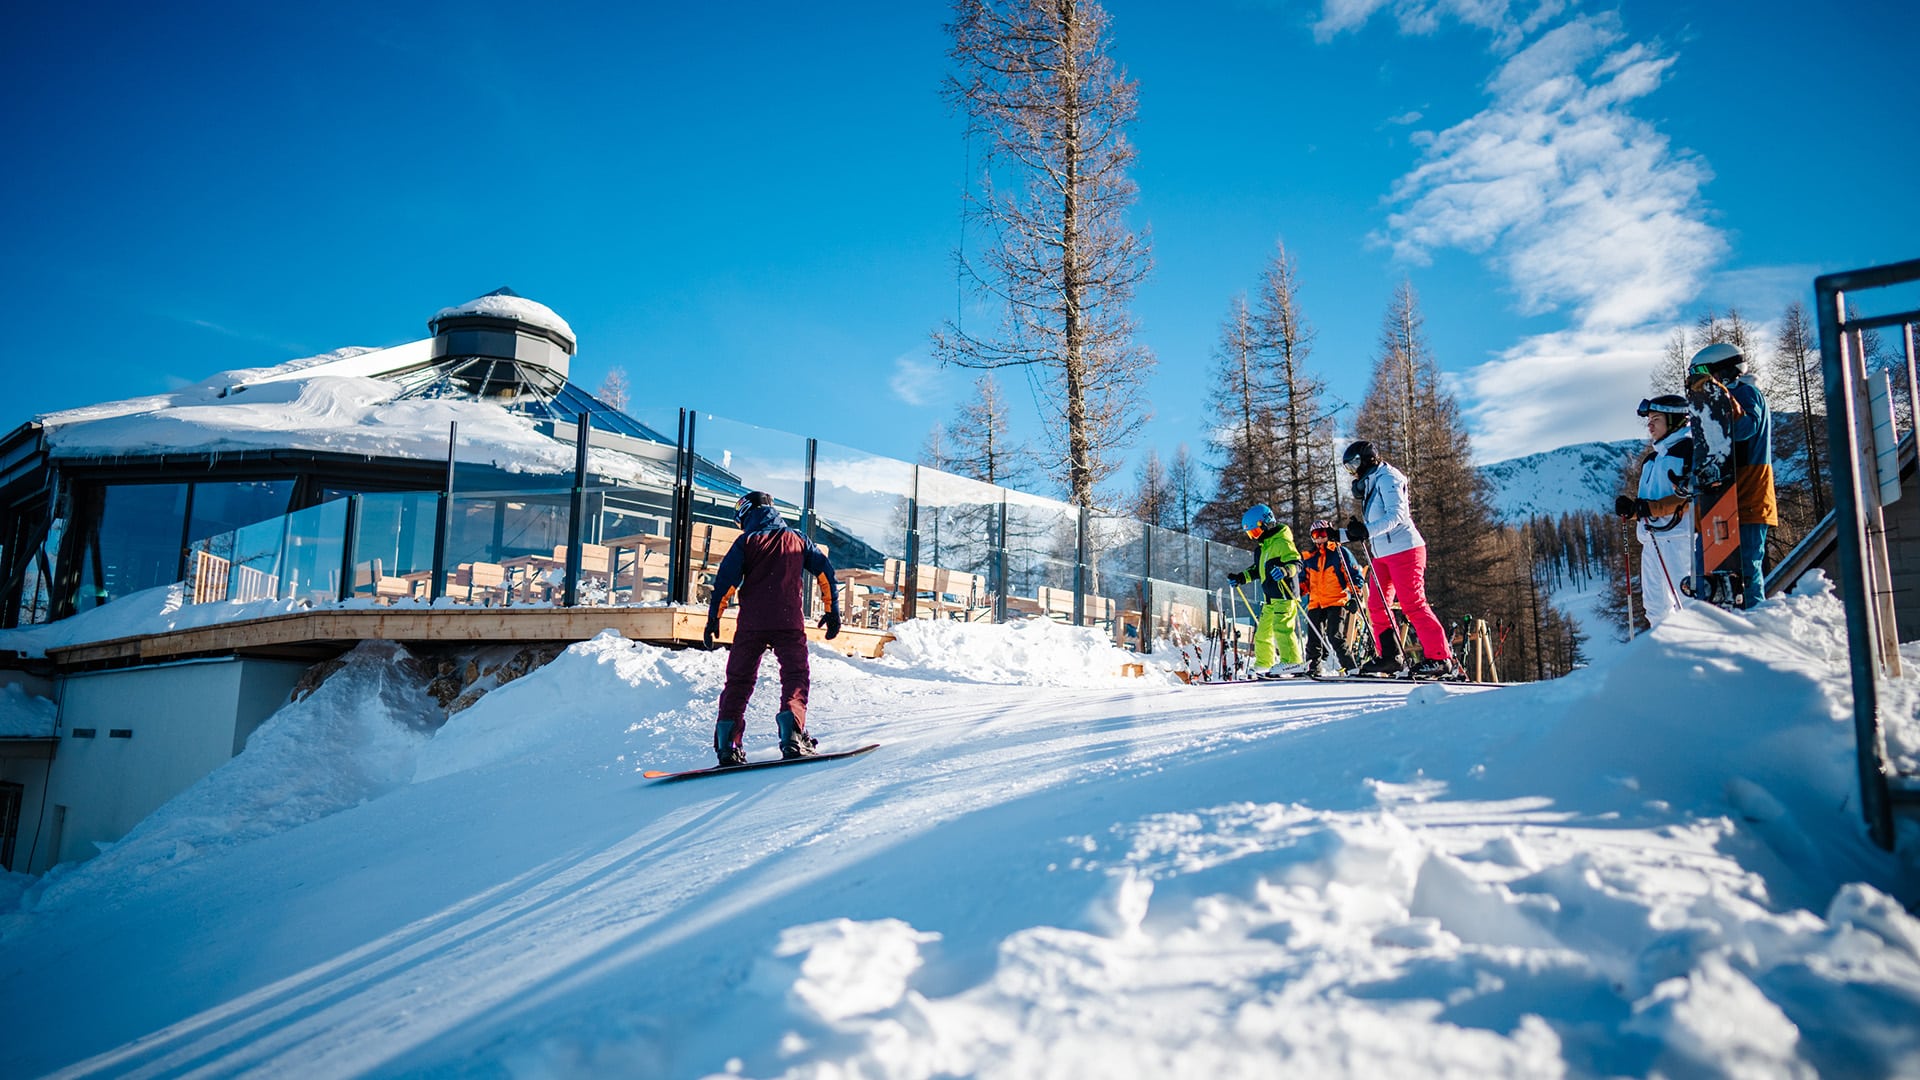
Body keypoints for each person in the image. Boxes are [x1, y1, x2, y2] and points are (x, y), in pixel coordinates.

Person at [703, 491, 841, 766]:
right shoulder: (797, 538)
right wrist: (831, 609)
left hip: (751, 624)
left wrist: (713, 619)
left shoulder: (746, 541)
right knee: (795, 675)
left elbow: (725, 583)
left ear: (745, 513)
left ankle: (727, 744)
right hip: (788, 622)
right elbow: (826, 572)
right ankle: (792, 733)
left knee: (738, 681)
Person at [1338, 440, 1457, 678]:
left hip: (1405, 550)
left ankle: (1440, 658)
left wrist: (1366, 531)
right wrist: (1337, 535)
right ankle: (1390, 657)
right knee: (1376, 606)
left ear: (1367, 459)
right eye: (1348, 469)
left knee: (1413, 604)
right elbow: (1368, 527)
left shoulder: (1389, 478)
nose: (1353, 472)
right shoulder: (1372, 481)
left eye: (1354, 466)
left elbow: (1397, 516)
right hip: (1382, 554)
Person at [1686, 342, 1775, 608]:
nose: (1700, 381)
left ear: (1722, 370)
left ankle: (1755, 627)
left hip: (1748, 496)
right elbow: (1709, 448)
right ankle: (1717, 632)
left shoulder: (1747, 392)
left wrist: (1722, 397)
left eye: (1704, 373)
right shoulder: (1713, 405)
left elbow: (1746, 427)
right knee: (1710, 574)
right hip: (1719, 501)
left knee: (1746, 572)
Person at [1616, 395, 1694, 627]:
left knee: (1688, 603)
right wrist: (1632, 511)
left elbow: (1691, 495)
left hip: (1679, 540)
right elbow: (1647, 504)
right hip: (1651, 541)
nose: (1649, 425)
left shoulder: (1689, 450)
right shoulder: (1651, 460)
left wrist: (1648, 509)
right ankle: (1665, 657)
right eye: (1648, 420)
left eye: (1656, 419)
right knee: (1656, 609)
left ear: (1674, 420)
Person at [1226, 503, 1305, 677]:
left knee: (1282, 628)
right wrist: (1240, 578)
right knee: (1262, 633)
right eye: (1250, 534)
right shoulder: (1262, 549)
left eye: (1255, 532)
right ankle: (1264, 663)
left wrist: (1285, 571)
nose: (1254, 537)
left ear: (1266, 523)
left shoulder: (1282, 542)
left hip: (1284, 594)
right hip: (1270, 597)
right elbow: (1256, 570)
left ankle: (1293, 662)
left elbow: (1297, 563)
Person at [1299, 520, 1363, 675]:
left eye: (1323, 534)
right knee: (1314, 638)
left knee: (1334, 635)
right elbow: (1304, 581)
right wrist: (1296, 591)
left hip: (1336, 601)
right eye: (1316, 535)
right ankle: (1314, 667)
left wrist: (1355, 596)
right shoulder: (1309, 557)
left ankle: (1351, 668)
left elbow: (1353, 575)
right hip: (1316, 603)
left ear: (1329, 533)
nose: (1320, 538)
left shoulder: (1339, 552)